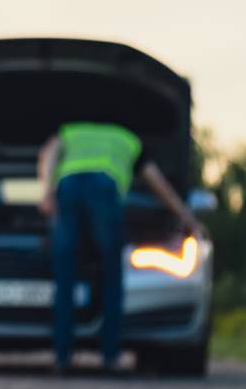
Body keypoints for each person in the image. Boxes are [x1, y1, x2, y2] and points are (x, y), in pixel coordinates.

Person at [37, 122, 202, 374]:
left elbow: (48, 154)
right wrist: (187, 217)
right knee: (112, 272)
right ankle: (109, 356)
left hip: (68, 187)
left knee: (65, 273)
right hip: (104, 189)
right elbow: (159, 184)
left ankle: (62, 357)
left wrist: (47, 191)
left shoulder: (72, 131)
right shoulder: (128, 140)